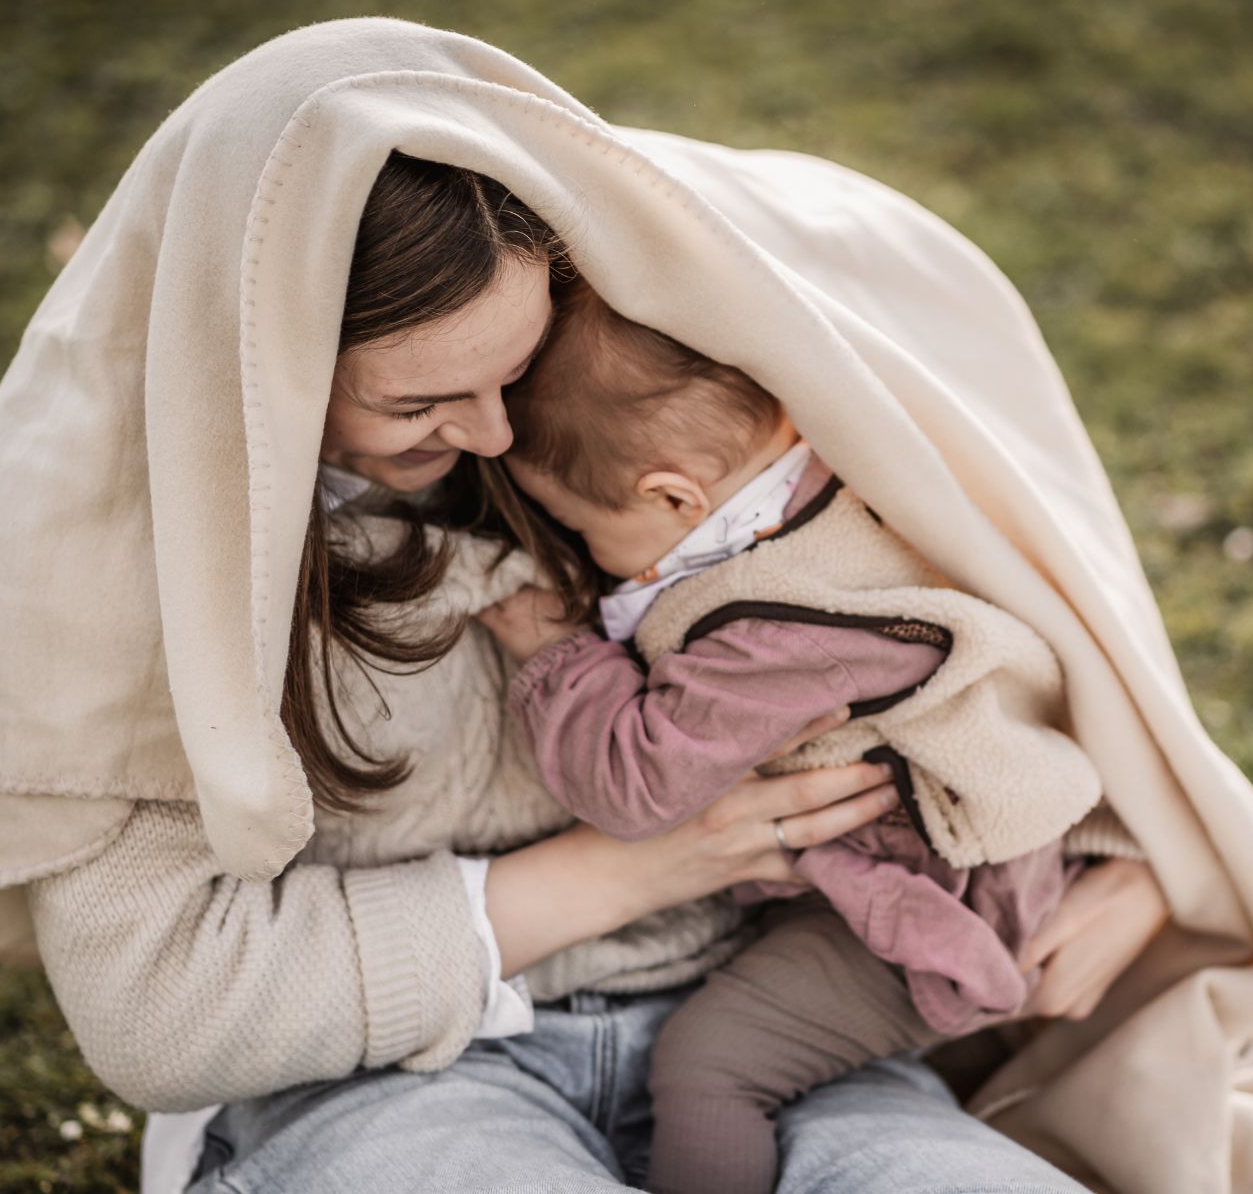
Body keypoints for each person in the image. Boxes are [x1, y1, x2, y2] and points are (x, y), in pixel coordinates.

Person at [0, 18, 1253, 1194]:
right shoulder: (122, 566)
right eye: (421, 403)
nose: (498, 438)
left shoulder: (618, 396)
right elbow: (162, 1018)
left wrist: (1129, 861)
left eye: (514, 370)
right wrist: (635, 867)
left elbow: (997, 610)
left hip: (785, 1033)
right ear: (264, 374)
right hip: (399, 1080)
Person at [477, 277, 1146, 1194]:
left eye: (581, 527)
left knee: (711, 1066)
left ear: (673, 496)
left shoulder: (771, 632)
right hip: (940, 867)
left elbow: (639, 788)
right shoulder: (843, 481)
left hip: (926, 916)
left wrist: (556, 656)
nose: (587, 555)